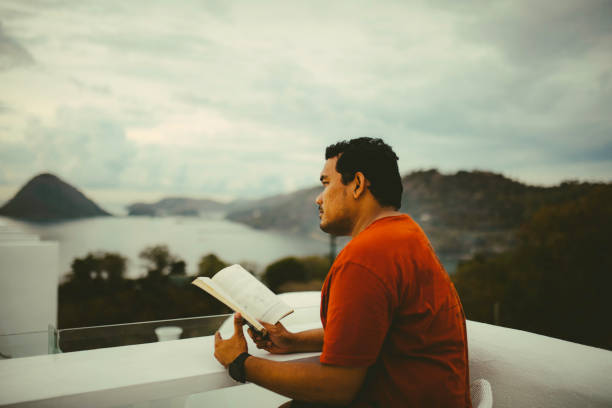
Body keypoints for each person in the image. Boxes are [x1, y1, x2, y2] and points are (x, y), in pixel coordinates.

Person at [214, 137, 472, 407]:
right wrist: (292, 341)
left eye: (326, 183)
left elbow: (336, 388)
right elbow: (371, 332)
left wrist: (241, 362)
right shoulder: (407, 235)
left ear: (358, 184)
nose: (318, 197)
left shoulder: (365, 257)